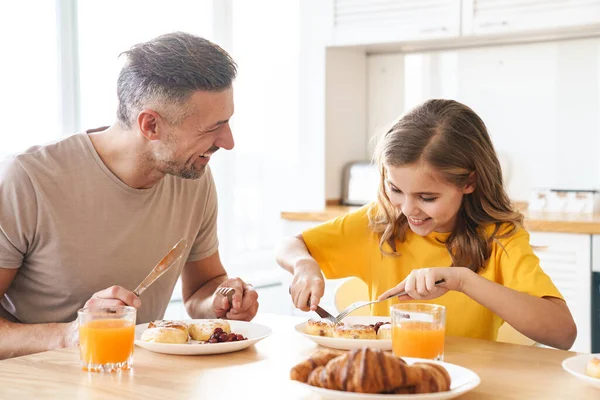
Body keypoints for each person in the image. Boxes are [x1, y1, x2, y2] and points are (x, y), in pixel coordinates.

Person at [0, 32, 259, 359]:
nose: (228, 141)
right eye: (211, 128)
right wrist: (70, 334)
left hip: (141, 382)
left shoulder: (193, 176)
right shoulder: (27, 180)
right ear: (151, 125)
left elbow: (200, 290)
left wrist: (222, 301)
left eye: (227, 122)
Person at [276, 99, 577, 350]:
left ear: (469, 181)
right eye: (395, 189)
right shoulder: (381, 223)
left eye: (427, 197)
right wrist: (303, 264)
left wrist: (464, 281)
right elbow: (289, 245)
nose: (408, 209)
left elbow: (563, 333)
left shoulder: (500, 238)